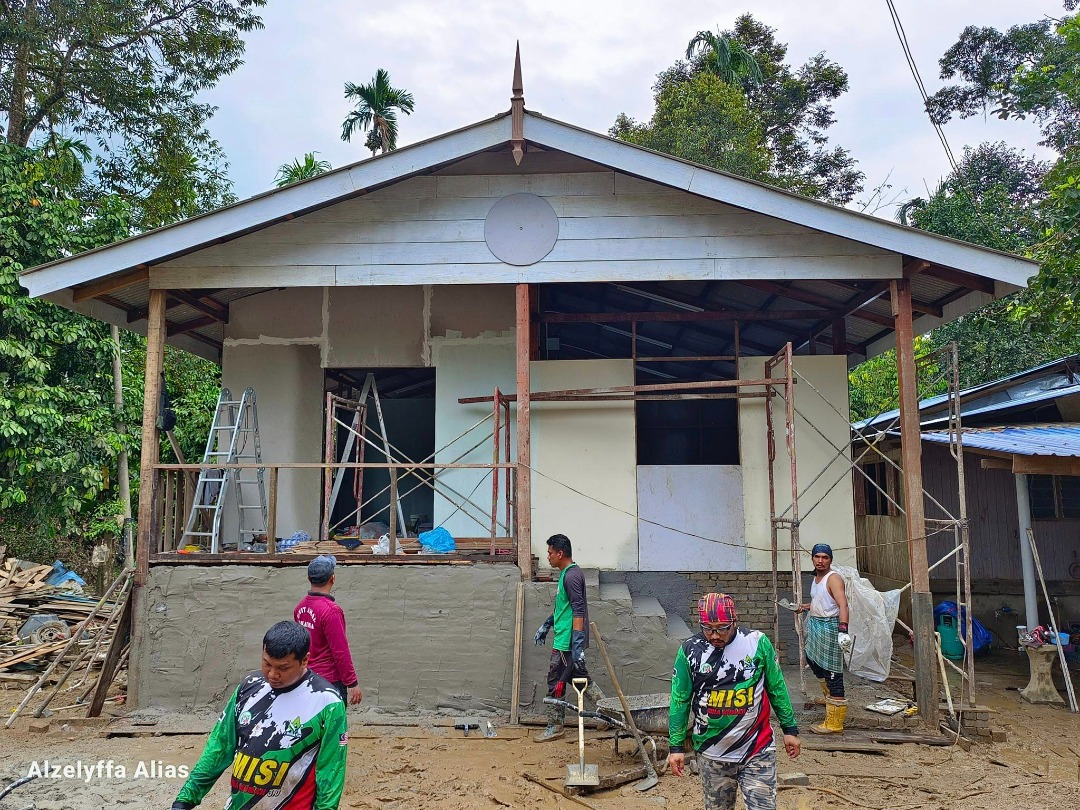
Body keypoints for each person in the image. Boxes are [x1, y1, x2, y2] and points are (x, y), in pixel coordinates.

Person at [171, 621, 348, 810]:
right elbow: (219, 747)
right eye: (267, 664)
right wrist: (185, 800)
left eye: (283, 668)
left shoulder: (326, 703)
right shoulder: (249, 687)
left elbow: (331, 772)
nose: (272, 674)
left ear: (304, 660)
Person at [667, 593, 800, 810]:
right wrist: (676, 746)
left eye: (722, 628)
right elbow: (680, 700)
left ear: (734, 621)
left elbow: (776, 688)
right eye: (707, 628)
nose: (714, 635)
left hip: (757, 748)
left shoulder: (757, 643)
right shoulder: (690, 651)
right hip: (712, 753)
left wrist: (790, 729)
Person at [532, 533, 605, 742]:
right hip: (566, 638)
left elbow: (578, 610)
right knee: (581, 679)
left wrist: (577, 645)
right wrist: (547, 625)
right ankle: (608, 714)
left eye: (550, 553)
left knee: (556, 681)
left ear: (560, 553)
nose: (548, 557)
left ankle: (556, 727)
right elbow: (563, 610)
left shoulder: (572, 576)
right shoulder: (567, 574)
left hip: (567, 642)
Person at [798, 543, 852, 734]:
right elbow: (820, 601)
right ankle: (829, 694)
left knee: (833, 672)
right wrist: (805, 607)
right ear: (812, 558)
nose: (820, 561)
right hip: (816, 625)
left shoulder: (833, 578)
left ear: (830, 559)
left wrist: (842, 630)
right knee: (812, 660)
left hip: (829, 628)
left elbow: (843, 605)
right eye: (817, 557)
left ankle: (834, 723)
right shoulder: (817, 578)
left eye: (825, 557)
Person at [295, 555, 362, 705]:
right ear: (333, 578)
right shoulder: (331, 611)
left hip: (306, 679)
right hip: (329, 682)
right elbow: (340, 651)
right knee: (333, 727)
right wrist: (352, 683)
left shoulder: (300, 608)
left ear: (308, 578)